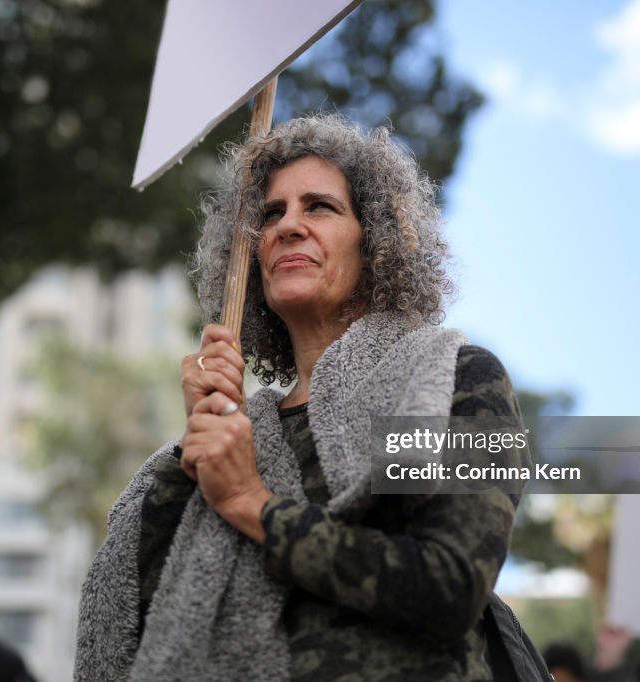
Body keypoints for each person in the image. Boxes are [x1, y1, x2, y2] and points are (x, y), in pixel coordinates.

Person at [75, 114, 547, 681]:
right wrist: (194, 453)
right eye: (271, 214)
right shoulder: (231, 438)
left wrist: (252, 503)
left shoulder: (457, 379)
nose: (287, 227)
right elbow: (140, 620)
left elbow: (447, 586)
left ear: (376, 239)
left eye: (319, 207)